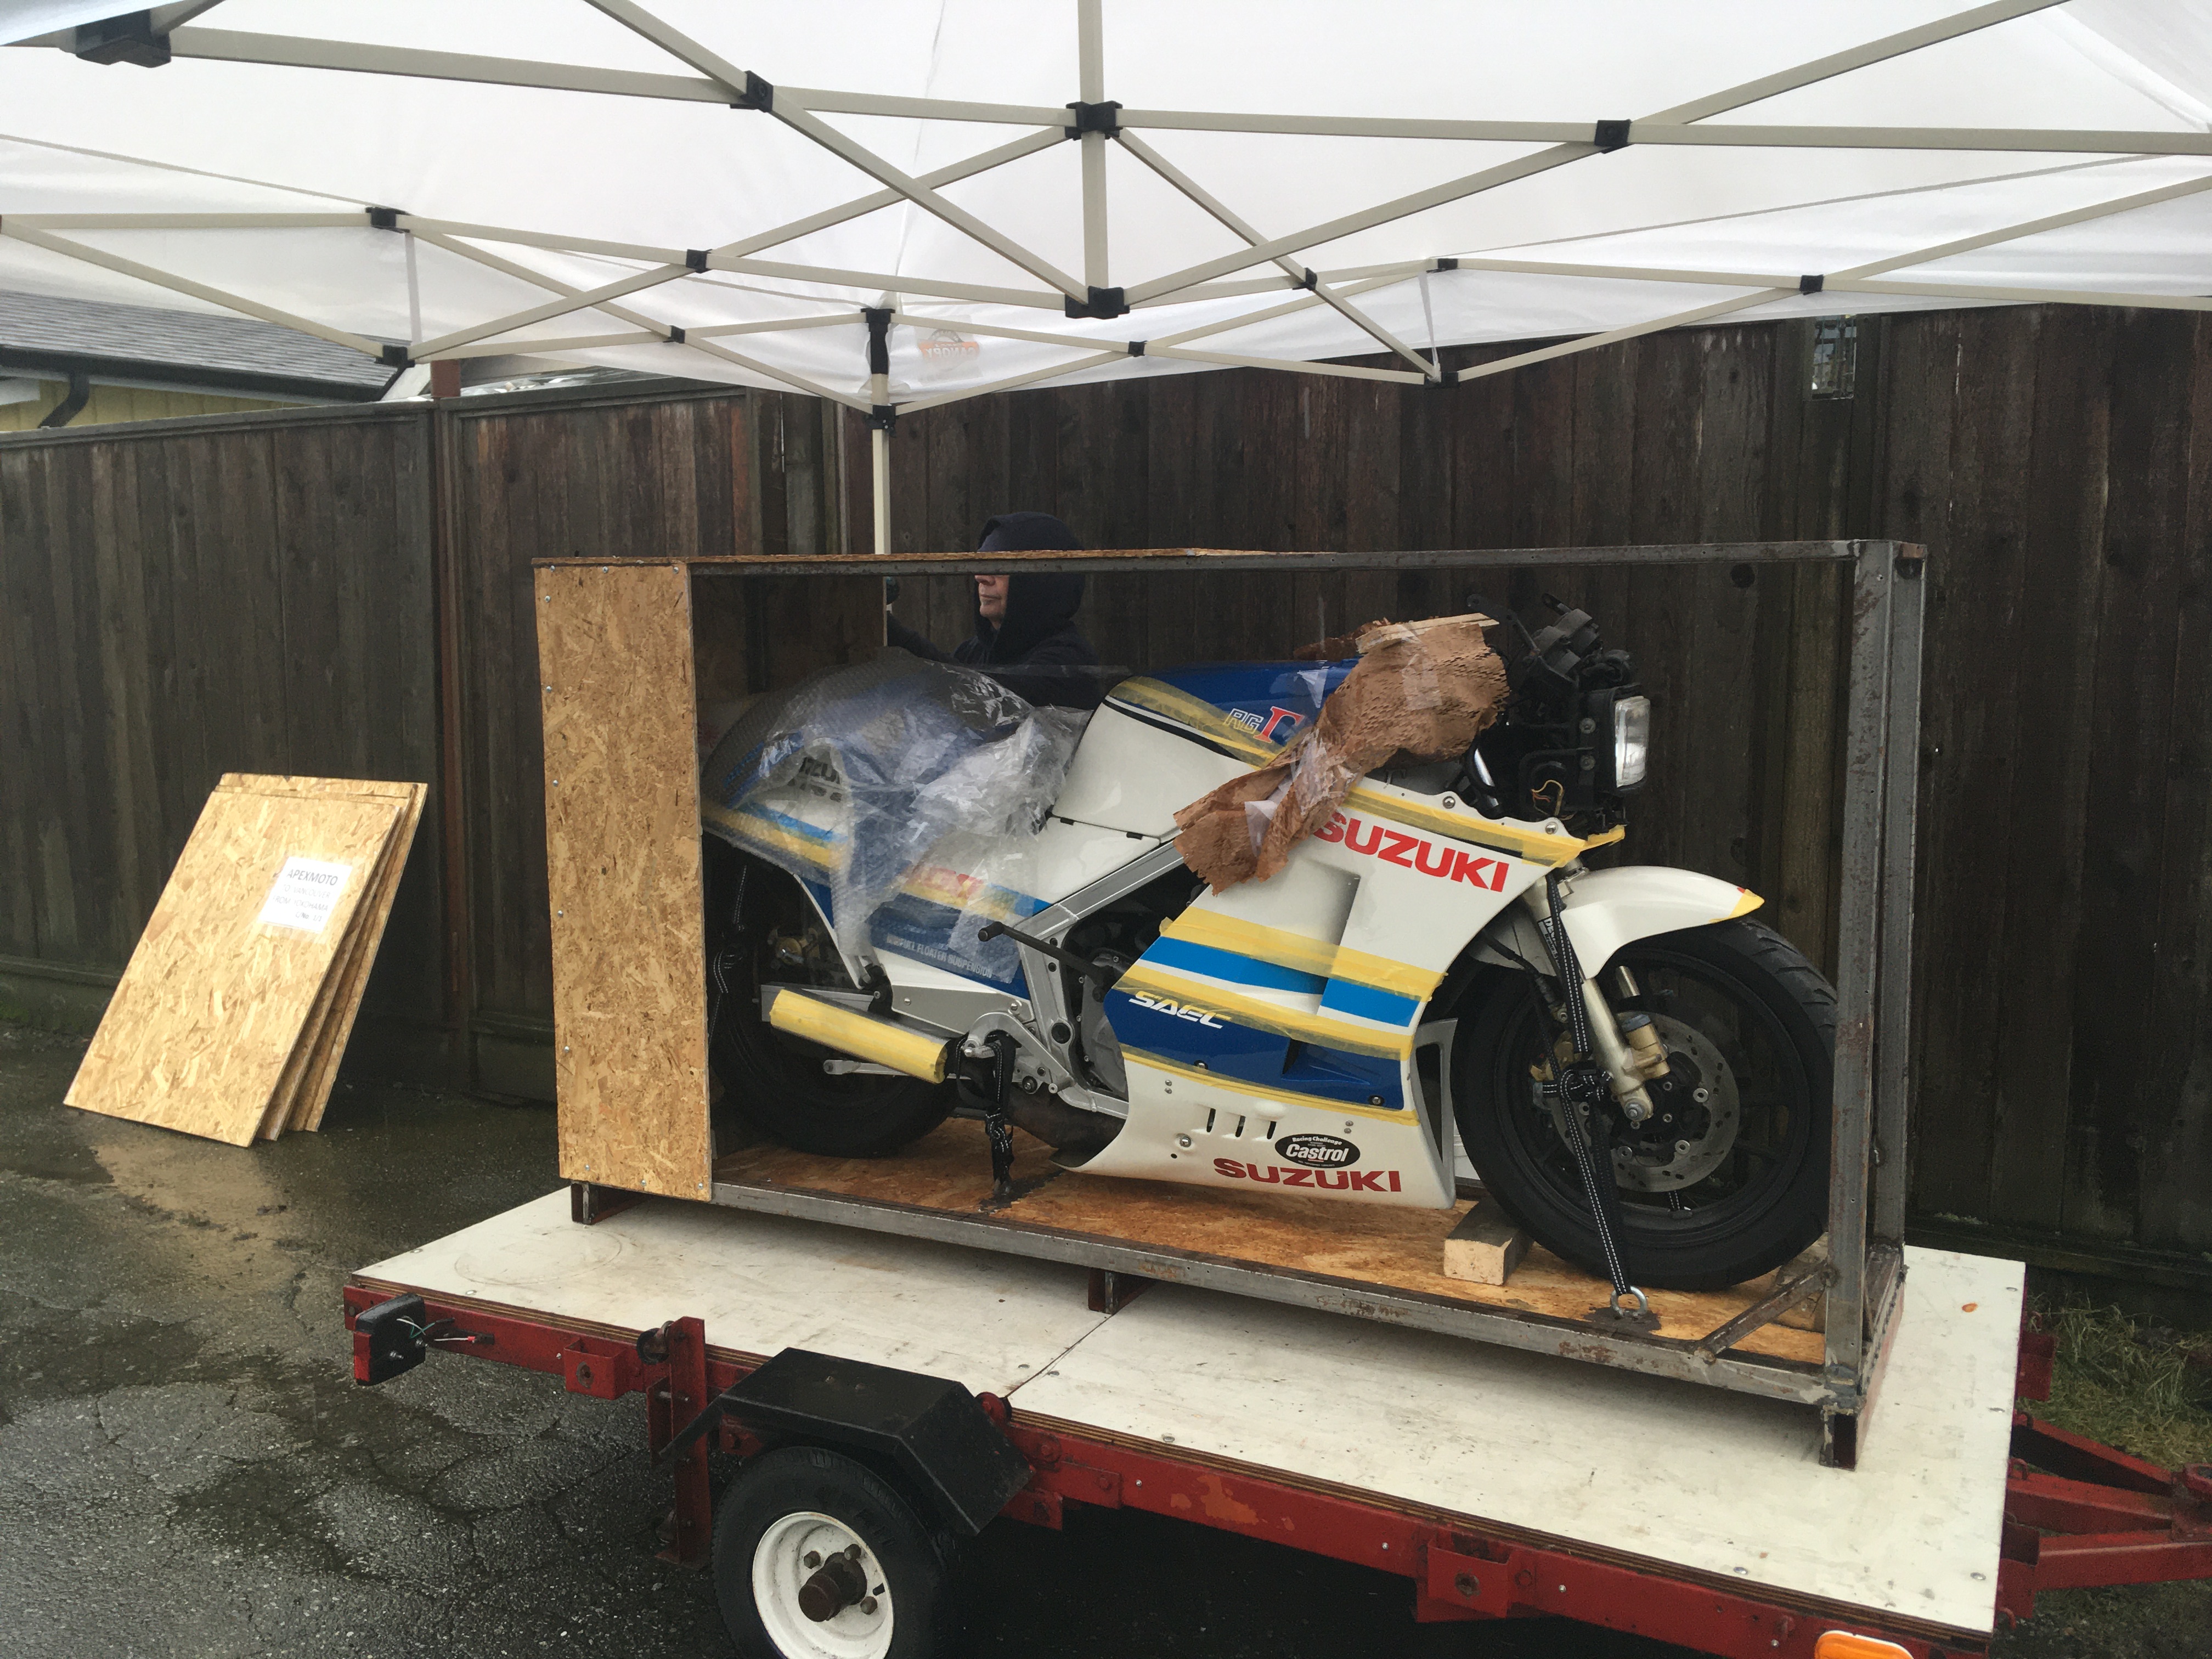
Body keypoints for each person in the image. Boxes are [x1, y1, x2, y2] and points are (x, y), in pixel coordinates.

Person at [884, 510, 1104, 709]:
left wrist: (900, 638)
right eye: (981, 563)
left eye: (999, 565)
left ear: (1040, 579)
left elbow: (989, 702)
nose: (981, 577)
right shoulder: (973, 651)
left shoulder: (1069, 661)